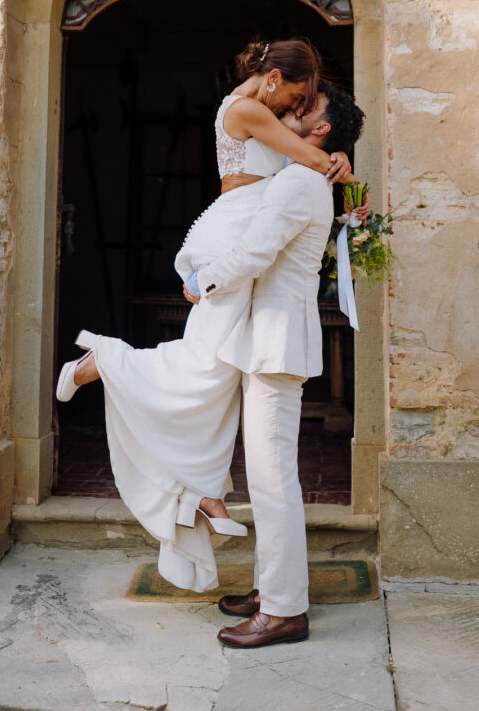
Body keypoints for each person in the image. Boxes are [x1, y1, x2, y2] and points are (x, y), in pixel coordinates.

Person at [55, 39, 358, 592]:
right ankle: (108, 361)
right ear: (272, 79)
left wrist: (336, 159)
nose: (299, 103)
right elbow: (314, 158)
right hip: (236, 231)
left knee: (215, 371)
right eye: (298, 92)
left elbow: (312, 156)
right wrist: (343, 167)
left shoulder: (274, 126)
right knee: (202, 362)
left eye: (308, 101)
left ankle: (203, 489)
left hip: (246, 233)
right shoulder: (247, 111)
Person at [183, 83, 365, 648]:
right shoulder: (305, 176)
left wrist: (201, 281)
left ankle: (285, 610)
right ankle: (271, 588)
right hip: (269, 338)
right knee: (267, 476)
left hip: (276, 341)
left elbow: (256, 252)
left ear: (321, 129)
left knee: (271, 479)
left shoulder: (299, 183)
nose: (287, 114)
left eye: (299, 110)